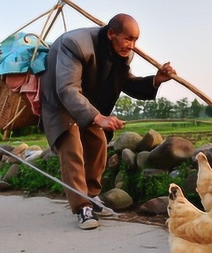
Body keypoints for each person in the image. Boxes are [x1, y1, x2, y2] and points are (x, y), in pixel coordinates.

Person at [39, 13, 175, 230]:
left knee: (98, 143)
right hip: (60, 102)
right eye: (128, 39)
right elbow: (67, 89)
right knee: (72, 148)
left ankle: (92, 197)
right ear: (111, 34)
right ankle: (82, 207)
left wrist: (156, 80)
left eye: (136, 40)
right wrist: (98, 117)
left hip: (87, 103)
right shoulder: (74, 44)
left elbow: (125, 82)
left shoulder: (123, 54)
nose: (132, 46)